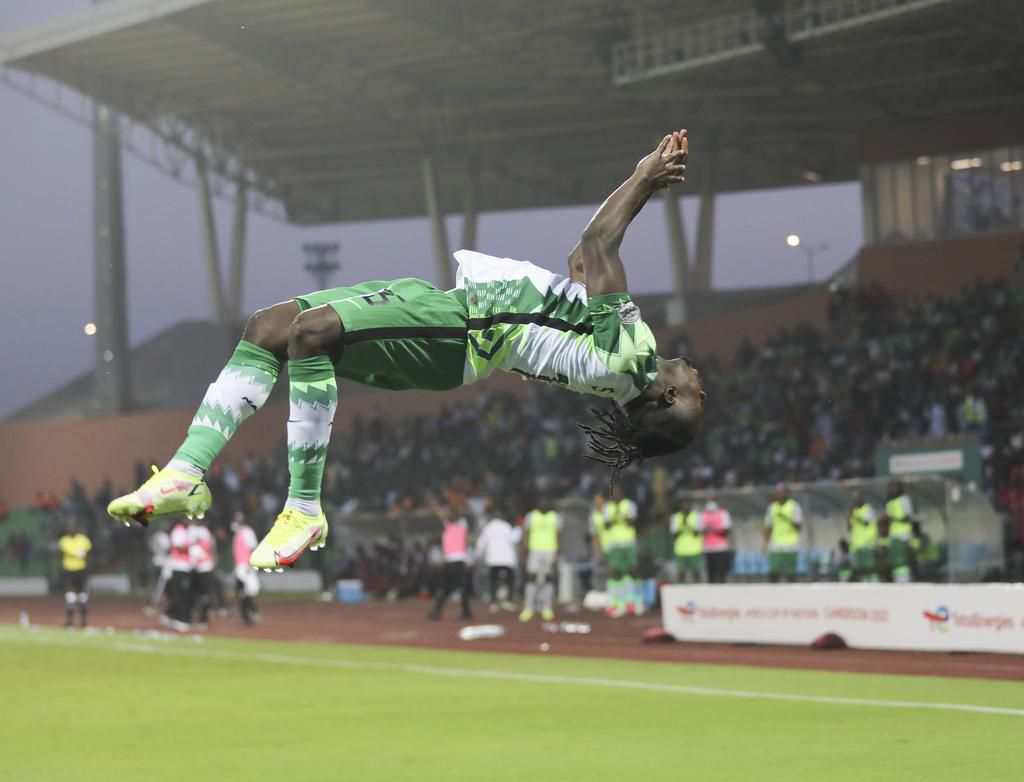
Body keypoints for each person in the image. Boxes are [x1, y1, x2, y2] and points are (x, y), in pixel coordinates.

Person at [106, 132, 704, 572]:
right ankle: (186, 471)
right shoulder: (622, 353)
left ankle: (304, 507)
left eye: (700, 393)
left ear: (670, 396)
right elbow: (583, 259)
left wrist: (646, 177)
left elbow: (599, 243)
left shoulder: (630, 356)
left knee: (310, 333)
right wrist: (637, 181)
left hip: (462, 333)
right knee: (269, 326)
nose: (701, 377)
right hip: (454, 310)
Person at [520, 496, 563, 622]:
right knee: (532, 578)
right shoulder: (531, 516)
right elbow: (526, 535)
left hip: (550, 550)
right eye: (541, 501)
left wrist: (557, 554)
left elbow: (559, 536)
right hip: (534, 551)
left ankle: (546, 608)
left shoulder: (555, 517)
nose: (543, 504)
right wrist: (525, 553)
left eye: (545, 502)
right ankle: (528, 608)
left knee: (548, 579)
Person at [426, 506, 473, 621]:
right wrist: (433, 504)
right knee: (451, 587)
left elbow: (454, 512)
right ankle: (465, 612)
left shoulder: (462, 524)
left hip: (458, 560)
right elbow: (441, 515)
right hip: (451, 561)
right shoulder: (448, 524)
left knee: (453, 587)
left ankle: (439, 612)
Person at [602, 484, 641, 617]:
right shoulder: (608, 507)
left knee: (632, 569)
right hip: (614, 543)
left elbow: (632, 522)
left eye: (617, 492)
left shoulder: (629, 505)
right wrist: (616, 516)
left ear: (622, 493)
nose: (615, 495)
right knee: (616, 572)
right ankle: (618, 602)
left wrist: (621, 515)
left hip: (628, 542)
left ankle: (632, 601)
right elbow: (606, 525)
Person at [474, 506, 521, 612]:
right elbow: (514, 539)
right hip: (507, 559)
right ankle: (508, 600)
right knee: (510, 580)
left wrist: (477, 556)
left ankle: (494, 602)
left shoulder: (488, 527)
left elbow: (481, 543)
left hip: (493, 559)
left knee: (493, 581)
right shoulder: (506, 526)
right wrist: (518, 528)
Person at [763, 483, 803, 583]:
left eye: (783, 492)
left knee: (790, 573)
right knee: (773, 571)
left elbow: (799, 526)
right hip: (775, 543)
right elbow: (768, 526)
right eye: (778, 492)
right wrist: (765, 543)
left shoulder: (794, 506)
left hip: (791, 544)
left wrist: (786, 518)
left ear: (787, 493)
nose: (780, 494)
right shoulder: (772, 507)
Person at [57, 521, 91, 629]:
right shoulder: (63, 541)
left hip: (81, 570)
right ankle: (70, 622)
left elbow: (88, 554)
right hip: (68, 570)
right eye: (69, 528)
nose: (71, 530)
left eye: (73, 528)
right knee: (70, 596)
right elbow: (60, 554)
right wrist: (72, 554)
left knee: (82, 597)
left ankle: (83, 621)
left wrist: (82, 555)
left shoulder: (83, 539)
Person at [884, 480, 918, 583]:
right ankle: (897, 580)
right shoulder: (889, 503)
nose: (893, 489)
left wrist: (892, 518)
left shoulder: (904, 499)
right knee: (895, 560)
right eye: (891, 487)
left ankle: (907, 580)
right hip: (893, 536)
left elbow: (908, 518)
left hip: (904, 535)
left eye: (895, 487)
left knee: (904, 560)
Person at [232, 512, 261, 625]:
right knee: (242, 592)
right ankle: (250, 613)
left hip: (246, 566)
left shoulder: (247, 531)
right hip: (240, 566)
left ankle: (248, 614)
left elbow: (253, 547)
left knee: (245, 591)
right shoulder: (239, 532)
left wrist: (251, 564)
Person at [846, 490, 879, 582]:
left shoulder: (868, 509)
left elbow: (866, 523)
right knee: (861, 569)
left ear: (862, 498)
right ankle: (865, 586)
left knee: (870, 567)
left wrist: (854, 515)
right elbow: (849, 528)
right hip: (857, 544)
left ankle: (875, 584)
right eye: (854, 499)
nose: (855, 500)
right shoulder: (854, 511)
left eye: (857, 498)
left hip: (868, 543)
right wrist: (848, 517)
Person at [669, 497, 703, 583]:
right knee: (681, 574)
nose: (686, 506)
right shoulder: (676, 517)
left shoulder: (697, 516)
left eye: (688, 504)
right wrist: (682, 524)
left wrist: (688, 523)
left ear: (691, 505)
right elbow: (674, 535)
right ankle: (680, 592)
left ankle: (698, 591)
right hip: (680, 550)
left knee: (696, 573)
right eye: (684, 504)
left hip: (695, 550)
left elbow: (697, 533)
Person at [700, 495, 733, 584]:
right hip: (708, 548)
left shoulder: (723, 513)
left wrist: (715, 529)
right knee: (711, 574)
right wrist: (706, 530)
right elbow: (700, 530)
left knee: (721, 573)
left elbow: (726, 530)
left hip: (720, 548)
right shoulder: (703, 514)